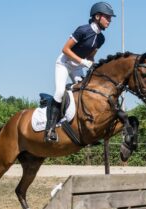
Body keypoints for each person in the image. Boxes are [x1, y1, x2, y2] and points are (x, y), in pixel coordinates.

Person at [45, 2, 116, 142]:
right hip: (64, 63)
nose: (110, 20)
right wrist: (83, 61)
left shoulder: (101, 38)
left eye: (110, 18)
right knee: (59, 92)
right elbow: (65, 49)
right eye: (107, 17)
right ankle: (50, 129)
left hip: (77, 67)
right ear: (97, 16)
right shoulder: (83, 30)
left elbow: (90, 55)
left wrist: (91, 63)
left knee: (86, 92)